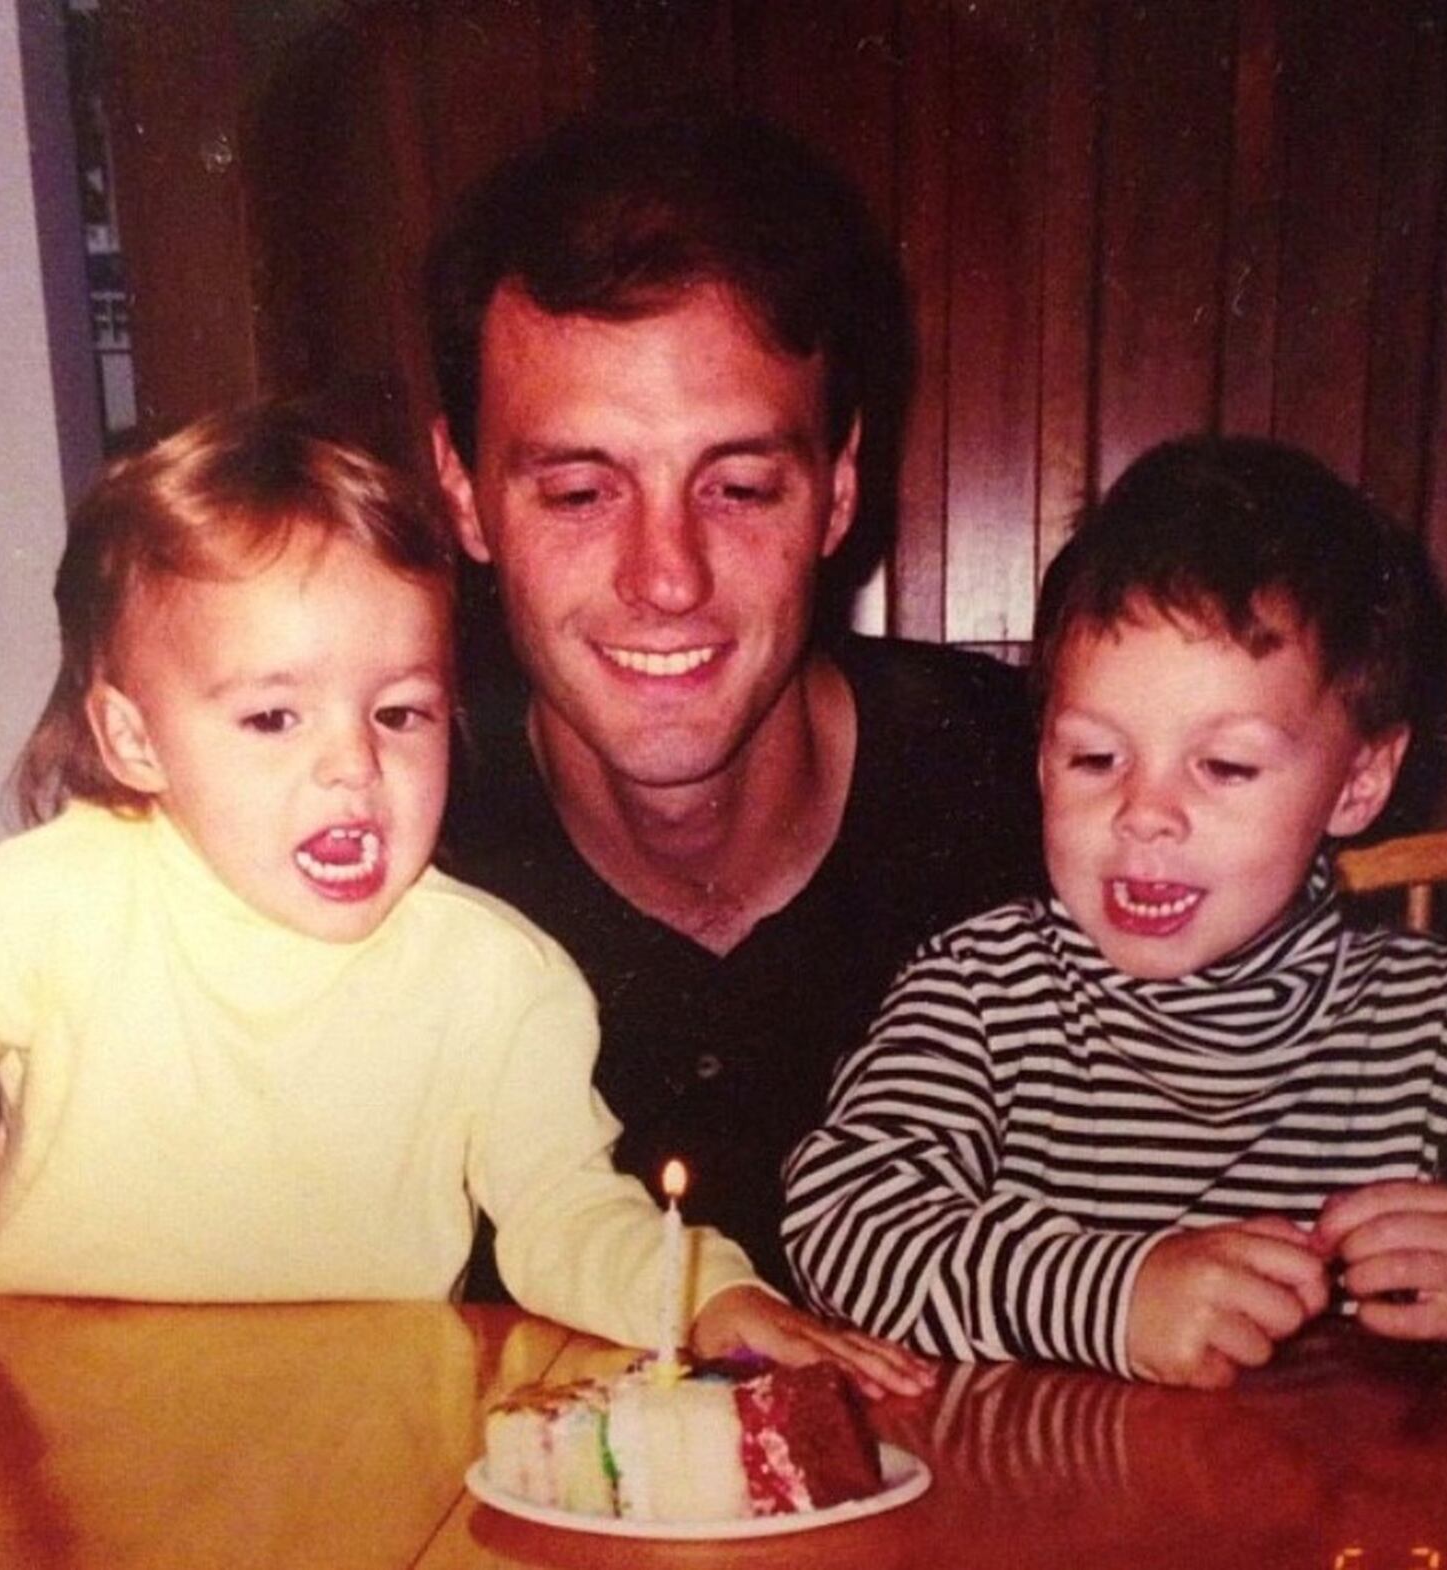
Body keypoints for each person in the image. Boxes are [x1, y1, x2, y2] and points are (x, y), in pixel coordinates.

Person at [0, 404, 926, 1393]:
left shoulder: (492, 974)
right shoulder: (45, 901)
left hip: (362, 1420)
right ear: (135, 739)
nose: (352, 767)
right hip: (65, 1405)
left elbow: (562, 1210)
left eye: (401, 713)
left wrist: (702, 1293)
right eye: (274, 718)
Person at [429, 108, 1043, 1296]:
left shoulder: (1048, 795)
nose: (667, 578)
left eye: (741, 484)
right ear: (463, 494)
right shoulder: (378, 842)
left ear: (839, 486)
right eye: (577, 491)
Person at [783, 435, 1447, 1389]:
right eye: (1095, 759)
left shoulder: (1441, 1022)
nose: (1144, 814)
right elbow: (840, 1218)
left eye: (1225, 766)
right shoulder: (983, 989)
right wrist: (1114, 1296)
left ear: (1359, 782)